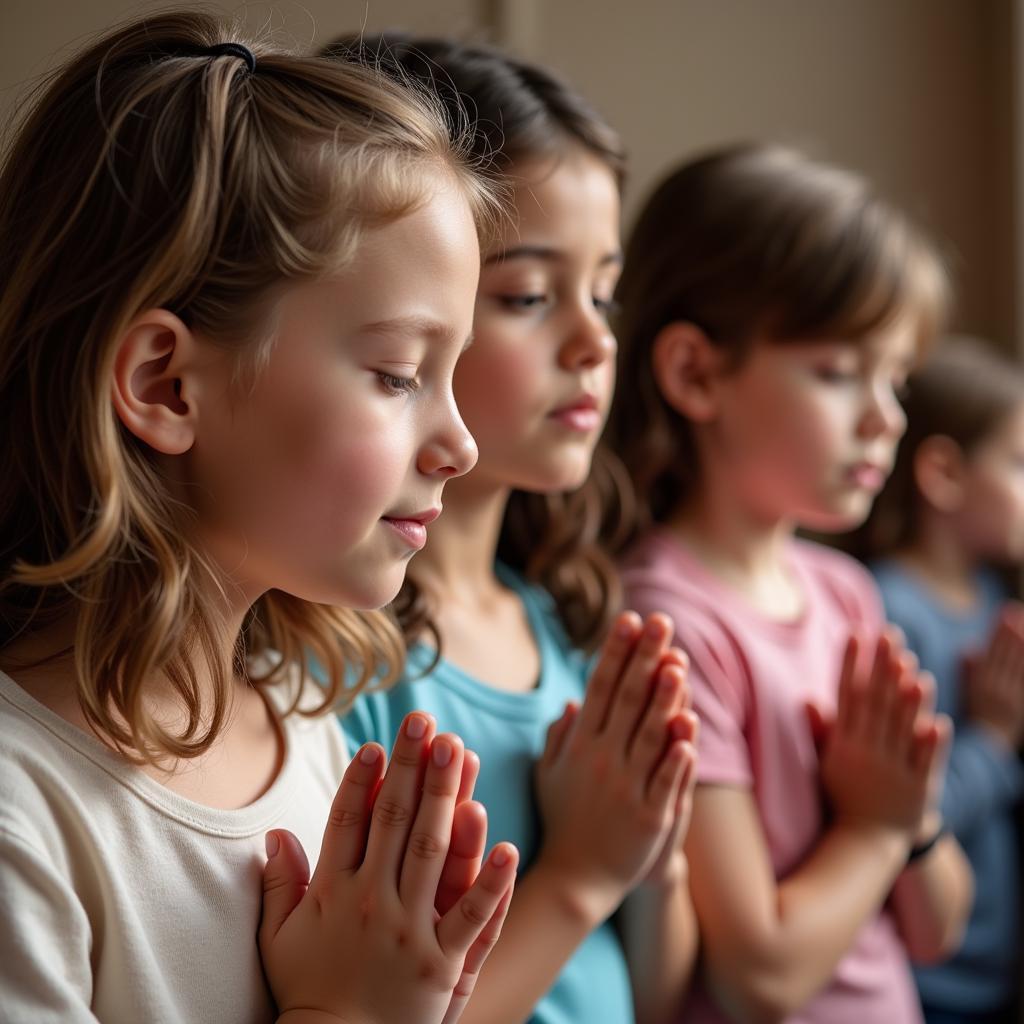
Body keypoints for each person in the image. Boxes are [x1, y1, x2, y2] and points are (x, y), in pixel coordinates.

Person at [0, 11, 519, 1023]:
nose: (459, 442)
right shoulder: (26, 817)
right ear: (166, 384)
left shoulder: (306, 719)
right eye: (399, 373)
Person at [324, 35, 699, 1024]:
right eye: (529, 296)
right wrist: (578, 872)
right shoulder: (345, 657)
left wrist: (648, 855)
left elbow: (655, 994)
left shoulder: (560, 625)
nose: (594, 340)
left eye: (605, 291)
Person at [612, 143, 974, 1024]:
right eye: (839, 373)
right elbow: (758, 977)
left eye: (894, 378)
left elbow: (939, 930)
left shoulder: (846, 593)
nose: (884, 418)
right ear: (696, 373)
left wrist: (907, 820)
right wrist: (879, 827)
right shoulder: (670, 621)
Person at [861, 337, 1024, 1024]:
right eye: (1019, 463)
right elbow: (900, 812)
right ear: (944, 474)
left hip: (997, 970)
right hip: (931, 986)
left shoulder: (994, 600)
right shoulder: (891, 610)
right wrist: (993, 739)